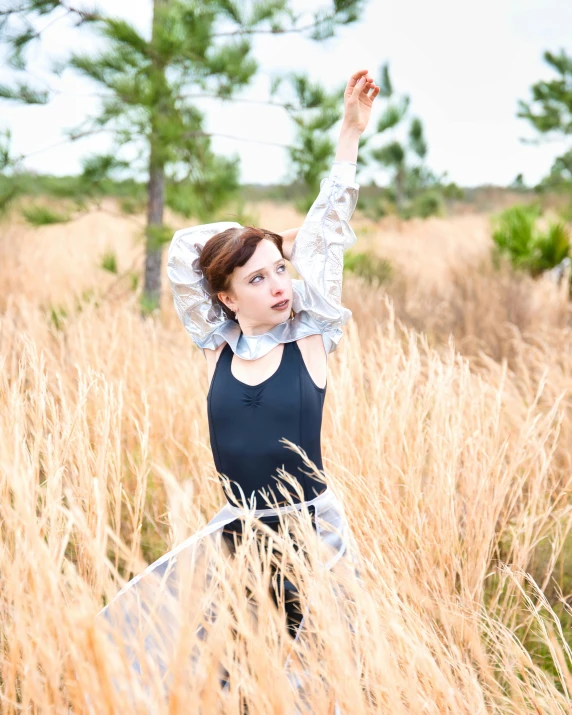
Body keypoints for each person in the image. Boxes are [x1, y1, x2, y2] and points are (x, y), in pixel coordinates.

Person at [98, 69, 379, 701]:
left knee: (312, 681)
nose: (279, 284)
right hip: (237, 532)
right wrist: (259, 240)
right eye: (257, 279)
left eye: (282, 271)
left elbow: (330, 233)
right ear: (223, 297)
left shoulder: (311, 337)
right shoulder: (218, 348)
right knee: (224, 679)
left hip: (310, 534)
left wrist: (349, 134)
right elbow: (182, 251)